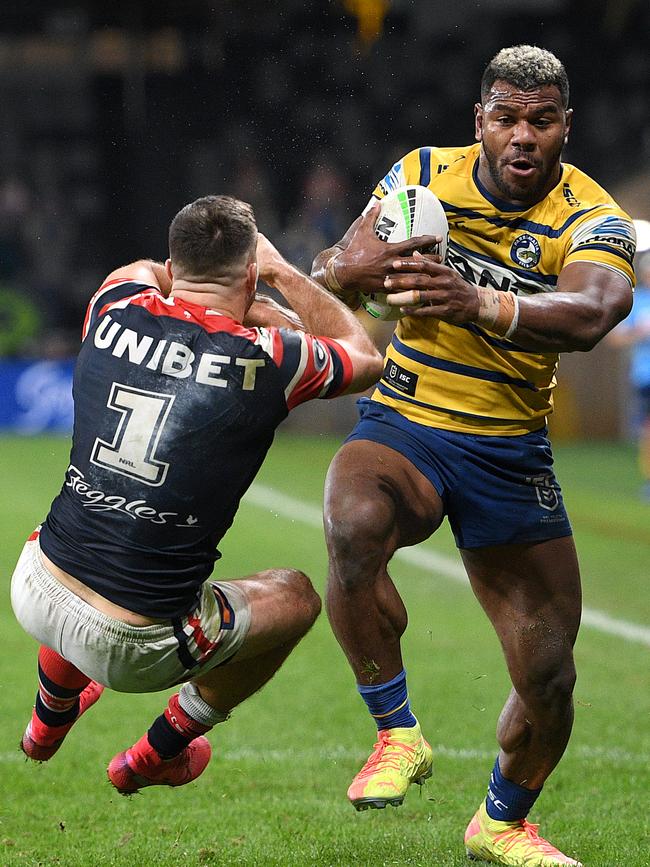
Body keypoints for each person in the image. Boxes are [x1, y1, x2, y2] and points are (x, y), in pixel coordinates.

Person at [312, 45, 635, 867]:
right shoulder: (422, 176)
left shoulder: (590, 217)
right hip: (409, 421)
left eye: (542, 119)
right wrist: (348, 268)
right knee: (352, 521)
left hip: (509, 450)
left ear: (567, 127)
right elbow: (341, 266)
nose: (523, 136)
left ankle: (501, 820)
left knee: (550, 677)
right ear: (479, 122)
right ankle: (397, 733)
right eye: (507, 118)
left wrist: (481, 300)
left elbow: (595, 311)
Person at [11, 194, 386, 794]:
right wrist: (282, 278)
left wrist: (226, 289)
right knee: (297, 597)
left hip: (34, 583)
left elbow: (153, 275)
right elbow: (365, 355)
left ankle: (48, 719)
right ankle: (155, 755)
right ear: (251, 273)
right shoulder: (269, 357)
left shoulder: (114, 301)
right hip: (136, 641)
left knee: (91, 527)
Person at [607, 250, 650, 500]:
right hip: (645, 376)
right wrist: (639, 333)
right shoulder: (638, 301)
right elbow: (615, 338)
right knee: (647, 431)